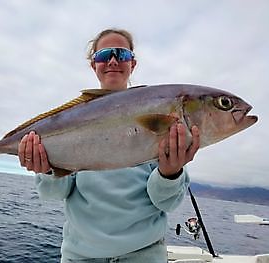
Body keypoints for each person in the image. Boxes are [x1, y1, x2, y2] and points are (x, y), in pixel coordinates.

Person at [18, 28, 200, 263]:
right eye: (104, 55)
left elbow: (166, 202)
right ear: (94, 65)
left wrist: (170, 173)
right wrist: (46, 169)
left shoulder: (162, 112)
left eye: (121, 55)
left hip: (143, 256)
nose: (113, 61)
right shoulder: (73, 119)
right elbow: (54, 193)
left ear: (132, 64)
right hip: (81, 257)